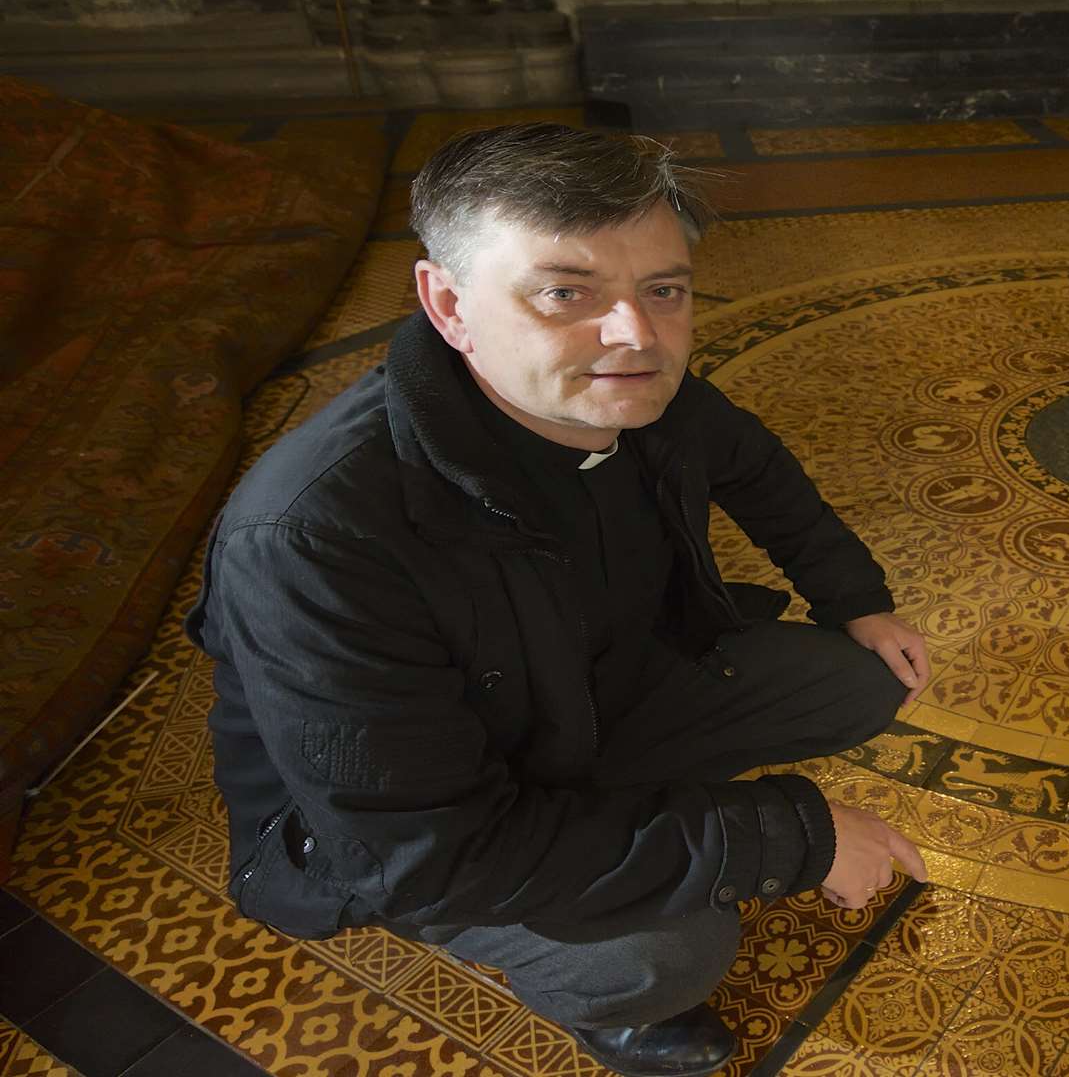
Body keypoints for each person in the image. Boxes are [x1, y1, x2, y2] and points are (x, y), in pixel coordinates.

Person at [185, 123, 932, 1077]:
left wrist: (855, 599)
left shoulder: (632, 388)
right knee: (671, 954)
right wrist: (796, 836)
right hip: (405, 828)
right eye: (563, 293)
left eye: (663, 289)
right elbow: (422, 857)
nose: (637, 335)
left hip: (586, 703)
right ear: (448, 304)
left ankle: (615, 825)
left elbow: (756, 467)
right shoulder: (318, 536)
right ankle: (611, 1000)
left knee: (857, 682)